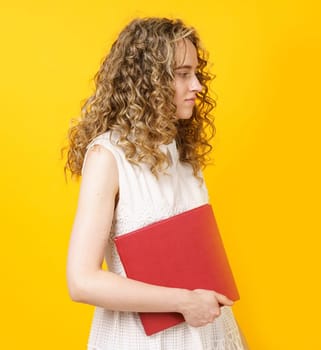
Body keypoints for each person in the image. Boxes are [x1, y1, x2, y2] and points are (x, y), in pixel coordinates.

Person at [64, 17, 249, 350]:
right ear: (146, 82)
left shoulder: (183, 153)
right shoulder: (108, 157)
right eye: (182, 75)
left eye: (196, 73)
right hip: (140, 340)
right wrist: (183, 302)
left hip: (208, 334)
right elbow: (81, 281)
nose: (197, 86)